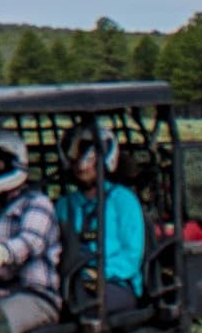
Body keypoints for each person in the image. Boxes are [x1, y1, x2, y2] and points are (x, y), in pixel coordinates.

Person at [0, 147, 64, 333]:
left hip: (31, 295)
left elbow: (30, 242)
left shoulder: (36, 203)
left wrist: (4, 252)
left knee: (1, 326)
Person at [54, 126, 147, 314]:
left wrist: (99, 273)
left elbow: (131, 256)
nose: (82, 166)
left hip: (116, 283)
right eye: (76, 159)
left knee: (86, 305)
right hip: (72, 281)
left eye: (89, 158)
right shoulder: (65, 205)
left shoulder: (122, 199)